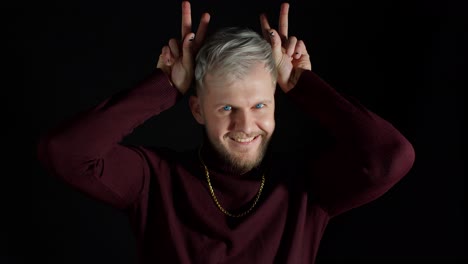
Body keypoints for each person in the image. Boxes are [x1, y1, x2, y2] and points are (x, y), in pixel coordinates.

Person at [37, 1, 415, 263]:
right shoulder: (155, 180)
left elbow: (390, 156)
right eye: (226, 108)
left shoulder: (307, 188)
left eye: (259, 106)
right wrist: (165, 85)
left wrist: (304, 85)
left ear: (276, 104)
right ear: (198, 109)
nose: (245, 126)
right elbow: (66, 152)